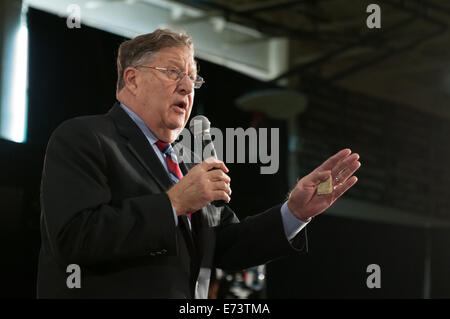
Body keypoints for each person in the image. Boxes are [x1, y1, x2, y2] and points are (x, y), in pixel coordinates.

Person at [37, 29, 360, 299]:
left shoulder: (187, 160)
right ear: (132, 80)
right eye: (173, 72)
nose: (187, 86)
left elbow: (225, 246)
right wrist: (173, 203)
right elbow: (74, 238)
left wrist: (294, 212)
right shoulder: (85, 136)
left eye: (193, 78)